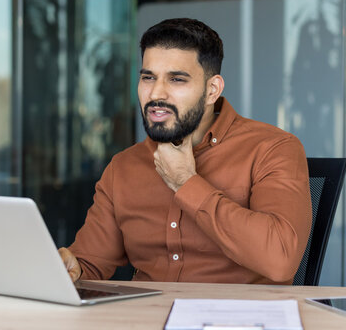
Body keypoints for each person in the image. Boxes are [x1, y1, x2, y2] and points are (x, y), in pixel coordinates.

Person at [59, 18, 311, 285]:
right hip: (146, 317)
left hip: (239, 321)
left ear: (212, 90)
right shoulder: (124, 166)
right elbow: (89, 263)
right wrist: (72, 267)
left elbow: (280, 259)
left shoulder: (272, 149)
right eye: (148, 78)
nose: (156, 93)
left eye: (176, 79)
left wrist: (186, 183)